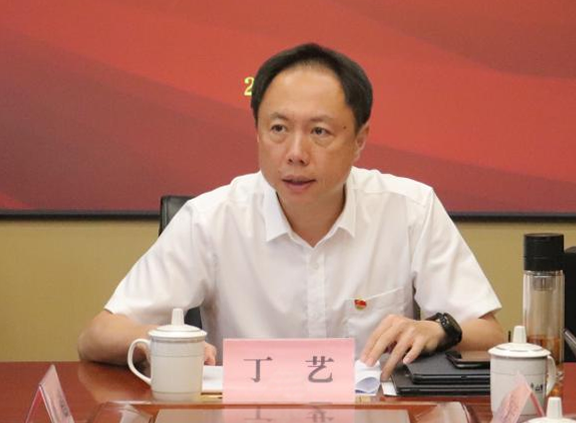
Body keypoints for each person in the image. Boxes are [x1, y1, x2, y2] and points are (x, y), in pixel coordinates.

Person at [77, 43, 504, 378]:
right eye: (278, 129)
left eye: (319, 132)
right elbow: (96, 337)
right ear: (257, 131)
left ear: (359, 140)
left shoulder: (410, 209)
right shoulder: (210, 219)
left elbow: (489, 334)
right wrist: (159, 339)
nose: (295, 153)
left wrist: (438, 329)